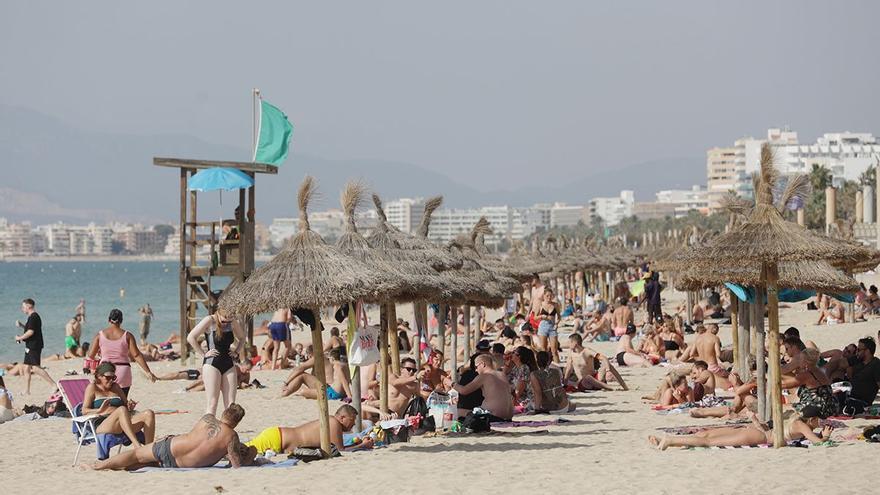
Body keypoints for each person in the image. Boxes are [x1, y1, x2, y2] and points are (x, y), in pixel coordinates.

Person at [88, 404, 255, 470]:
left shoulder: (208, 419)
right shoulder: (232, 437)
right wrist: (252, 454)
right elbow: (236, 465)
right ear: (237, 422)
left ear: (224, 413)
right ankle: (111, 466)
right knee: (139, 462)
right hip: (178, 464)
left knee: (136, 455)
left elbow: (196, 437)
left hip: (172, 446)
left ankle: (100, 465)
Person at [650, 406, 832, 450]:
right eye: (819, 421)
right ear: (813, 419)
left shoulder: (792, 416)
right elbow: (817, 443)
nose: (819, 424)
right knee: (708, 441)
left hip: (756, 431)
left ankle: (666, 440)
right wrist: (825, 437)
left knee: (708, 434)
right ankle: (670, 440)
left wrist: (753, 419)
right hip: (759, 438)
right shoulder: (802, 425)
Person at [246, 404, 373, 455]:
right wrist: (362, 445)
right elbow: (340, 450)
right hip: (278, 439)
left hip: (278, 437)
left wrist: (357, 444)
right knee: (237, 450)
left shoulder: (331, 421)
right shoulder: (334, 422)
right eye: (352, 420)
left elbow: (335, 447)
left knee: (242, 450)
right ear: (342, 417)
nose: (354, 424)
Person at [82, 363, 156, 448]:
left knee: (149, 413)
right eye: (108, 377)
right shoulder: (92, 387)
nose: (111, 381)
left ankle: (149, 450)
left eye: (113, 378)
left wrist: (130, 406)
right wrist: (99, 410)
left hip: (123, 423)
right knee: (121, 410)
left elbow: (126, 405)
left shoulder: (115, 387)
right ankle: (137, 446)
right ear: (99, 376)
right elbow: (84, 410)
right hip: (104, 424)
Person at [187, 310, 245, 415]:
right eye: (224, 321)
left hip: (229, 363)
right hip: (212, 363)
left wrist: (236, 352)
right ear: (219, 313)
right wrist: (203, 353)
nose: (226, 323)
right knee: (212, 402)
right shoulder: (210, 320)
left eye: (229, 321)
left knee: (231, 404)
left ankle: (227, 429)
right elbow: (191, 337)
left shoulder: (232, 322)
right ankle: (209, 429)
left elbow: (242, 338)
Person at [88, 309, 157, 396]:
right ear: (121, 321)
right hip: (123, 372)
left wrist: (101, 355)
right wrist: (148, 372)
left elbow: (90, 355)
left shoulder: (100, 335)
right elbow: (136, 355)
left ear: (109, 320)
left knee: (105, 400)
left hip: (105, 371)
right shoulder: (127, 335)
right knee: (121, 401)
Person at [452, 354, 514, 422]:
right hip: (508, 417)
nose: (476, 370)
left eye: (476, 367)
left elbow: (463, 391)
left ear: (482, 364)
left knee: (457, 411)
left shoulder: (484, 376)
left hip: (493, 417)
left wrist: (451, 383)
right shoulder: (502, 374)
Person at [14, 298, 55, 394]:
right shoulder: (32, 317)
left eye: (23, 307)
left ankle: (54, 385)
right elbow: (31, 329)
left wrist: (19, 338)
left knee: (35, 368)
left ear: (29, 306)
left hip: (34, 346)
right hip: (30, 345)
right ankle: (27, 390)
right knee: (26, 368)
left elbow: (31, 332)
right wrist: (22, 326)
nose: (22, 309)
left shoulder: (34, 317)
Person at [280, 348, 352, 401]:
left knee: (302, 382)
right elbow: (347, 380)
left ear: (310, 354)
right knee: (303, 389)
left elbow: (300, 368)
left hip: (331, 391)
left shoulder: (320, 358)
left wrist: (286, 382)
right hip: (334, 390)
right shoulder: (344, 365)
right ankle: (286, 393)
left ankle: (284, 394)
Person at [844, 337, 880, 414]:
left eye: (859, 350)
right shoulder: (858, 361)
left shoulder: (876, 365)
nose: (856, 352)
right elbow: (840, 363)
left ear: (867, 351)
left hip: (860, 402)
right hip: (848, 394)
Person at [536, 288, 560, 362]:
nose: (549, 297)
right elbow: (535, 317)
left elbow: (559, 316)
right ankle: (544, 368)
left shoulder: (555, 305)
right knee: (543, 350)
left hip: (552, 328)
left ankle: (559, 369)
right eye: (547, 296)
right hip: (543, 327)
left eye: (550, 296)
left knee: (554, 351)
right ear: (544, 296)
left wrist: (557, 324)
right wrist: (541, 316)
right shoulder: (540, 304)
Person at [510, 346, 537, 411]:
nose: (511, 354)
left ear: (519, 356)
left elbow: (519, 391)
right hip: (519, 398)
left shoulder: (524, 368)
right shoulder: (516, 368)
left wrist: (510, 405)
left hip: (526, 400)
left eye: (513, 352)